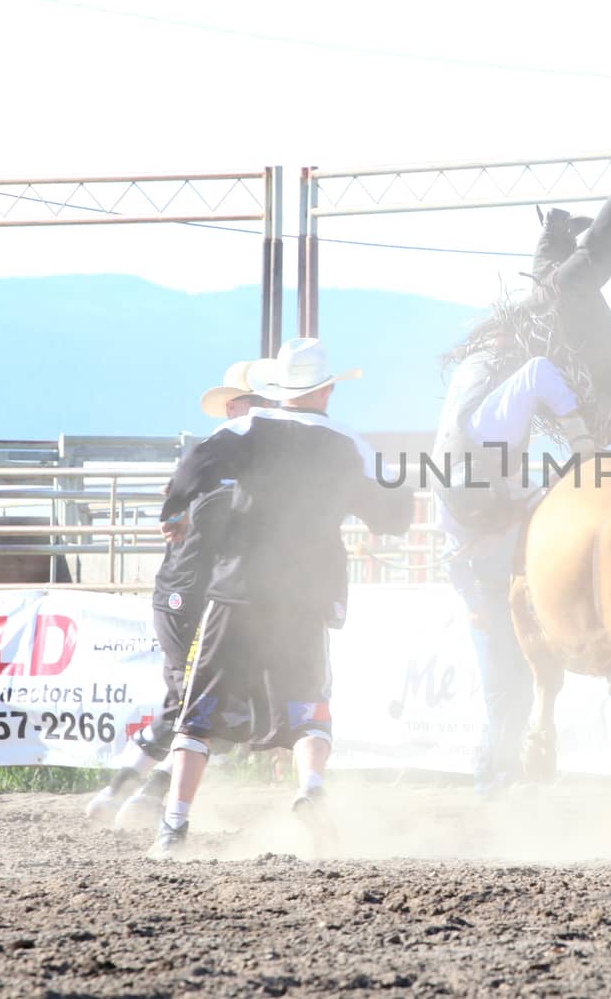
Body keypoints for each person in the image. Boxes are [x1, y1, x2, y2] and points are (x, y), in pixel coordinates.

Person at [431, 120, 611, 796]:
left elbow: (538, 367)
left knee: (585, 264)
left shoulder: (487, 411)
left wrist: (586, 449)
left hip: (609, 404)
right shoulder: (482, 423)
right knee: (584, 265)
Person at [146, 338, 412, 859]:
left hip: (237, 587)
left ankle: (173, 827)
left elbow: (189, 468)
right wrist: (382, 520)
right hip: (306, 593)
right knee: (310, 700)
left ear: (278, 389)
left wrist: (174, 508)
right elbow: (395, 509)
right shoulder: (347, 442)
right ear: (328, 389)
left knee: (199, 709)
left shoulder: (246, 428)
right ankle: (310, 788)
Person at [84, 360, 274, 828]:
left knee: (185, 699)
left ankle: (120, 794)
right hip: (200, 594)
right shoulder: (233, 464)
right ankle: (144, 797)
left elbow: (175, 512)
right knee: (204, 703)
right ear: (238, 407)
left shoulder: (208, 460)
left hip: (184, 591)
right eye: (259, 403)